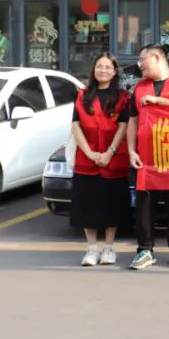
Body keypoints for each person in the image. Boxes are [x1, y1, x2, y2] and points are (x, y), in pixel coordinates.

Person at [126, 44, 169, 270]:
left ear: (157, 57)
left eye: (142, 60)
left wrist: (158, 101)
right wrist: (131, 150)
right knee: (144, 205)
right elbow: (132, 121)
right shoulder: (139, 88)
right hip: (146, 156)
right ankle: (145, 250)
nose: (140, 65)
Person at [69, 52, 130, 267]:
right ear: (93, 70)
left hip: (114, 159)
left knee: (112, 205)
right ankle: (92, 249)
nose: (103, 70)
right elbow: (75, 125)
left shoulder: (123, 97)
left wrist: (109, 152)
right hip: (87, 160)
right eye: (99, 66)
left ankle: (109, 248)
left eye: (107, 67)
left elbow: (123, 126)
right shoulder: (82, 95)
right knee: (88, 205)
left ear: (114, 72)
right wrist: (89, 153)